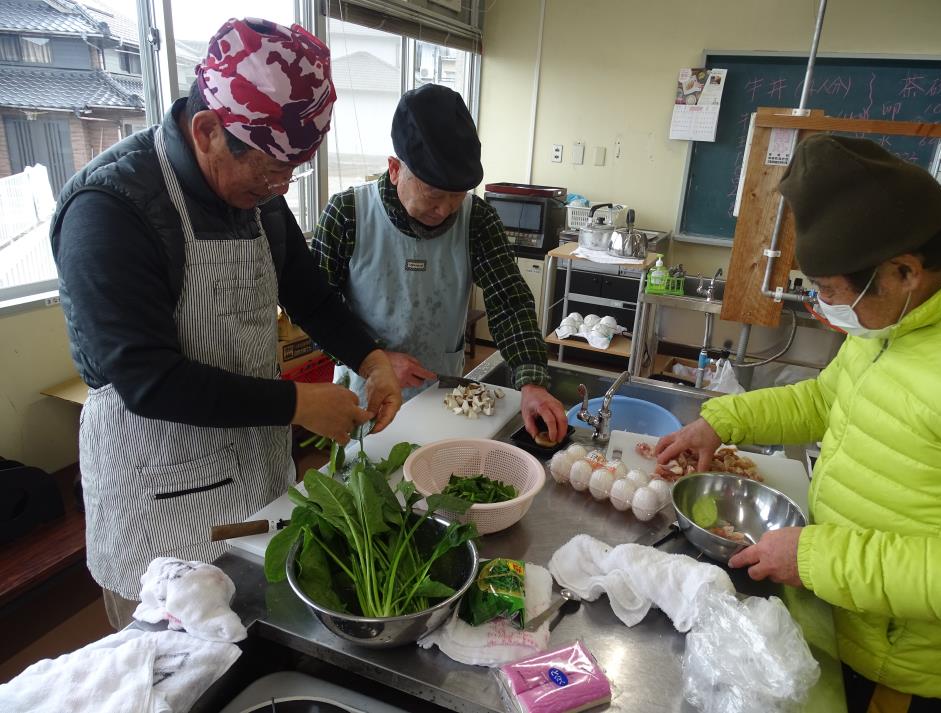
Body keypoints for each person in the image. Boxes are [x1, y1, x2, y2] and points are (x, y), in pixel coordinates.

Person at [50, 18, 401, 629]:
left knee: (255, 647)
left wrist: (372, 361)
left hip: (253, 483)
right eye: (268, 172)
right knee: (175, 677)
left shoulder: (258, 199)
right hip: (156, 502)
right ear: (209, 130)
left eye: (290, 174)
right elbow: (148, 379)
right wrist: (297, 403)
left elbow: (311, 299)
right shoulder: (112, 210)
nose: (278, 188)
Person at [656, 134, 941, 707]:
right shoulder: (892, 325)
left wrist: (816, 557)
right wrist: (720, 421)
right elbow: (825, 401)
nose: (824, 308)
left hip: (906, 673)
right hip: (841, 623)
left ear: (904, 271)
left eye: (832, 293)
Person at [311, 83, 568, 443]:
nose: (445, 209)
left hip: (443, 397)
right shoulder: (348, 214)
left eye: (456, 196)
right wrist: (374, 358)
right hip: (363, 393)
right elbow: (316, 314)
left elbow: (509, 303)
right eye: (433, 195)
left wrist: (532, 381)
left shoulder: (477, 219)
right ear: (395, 169)